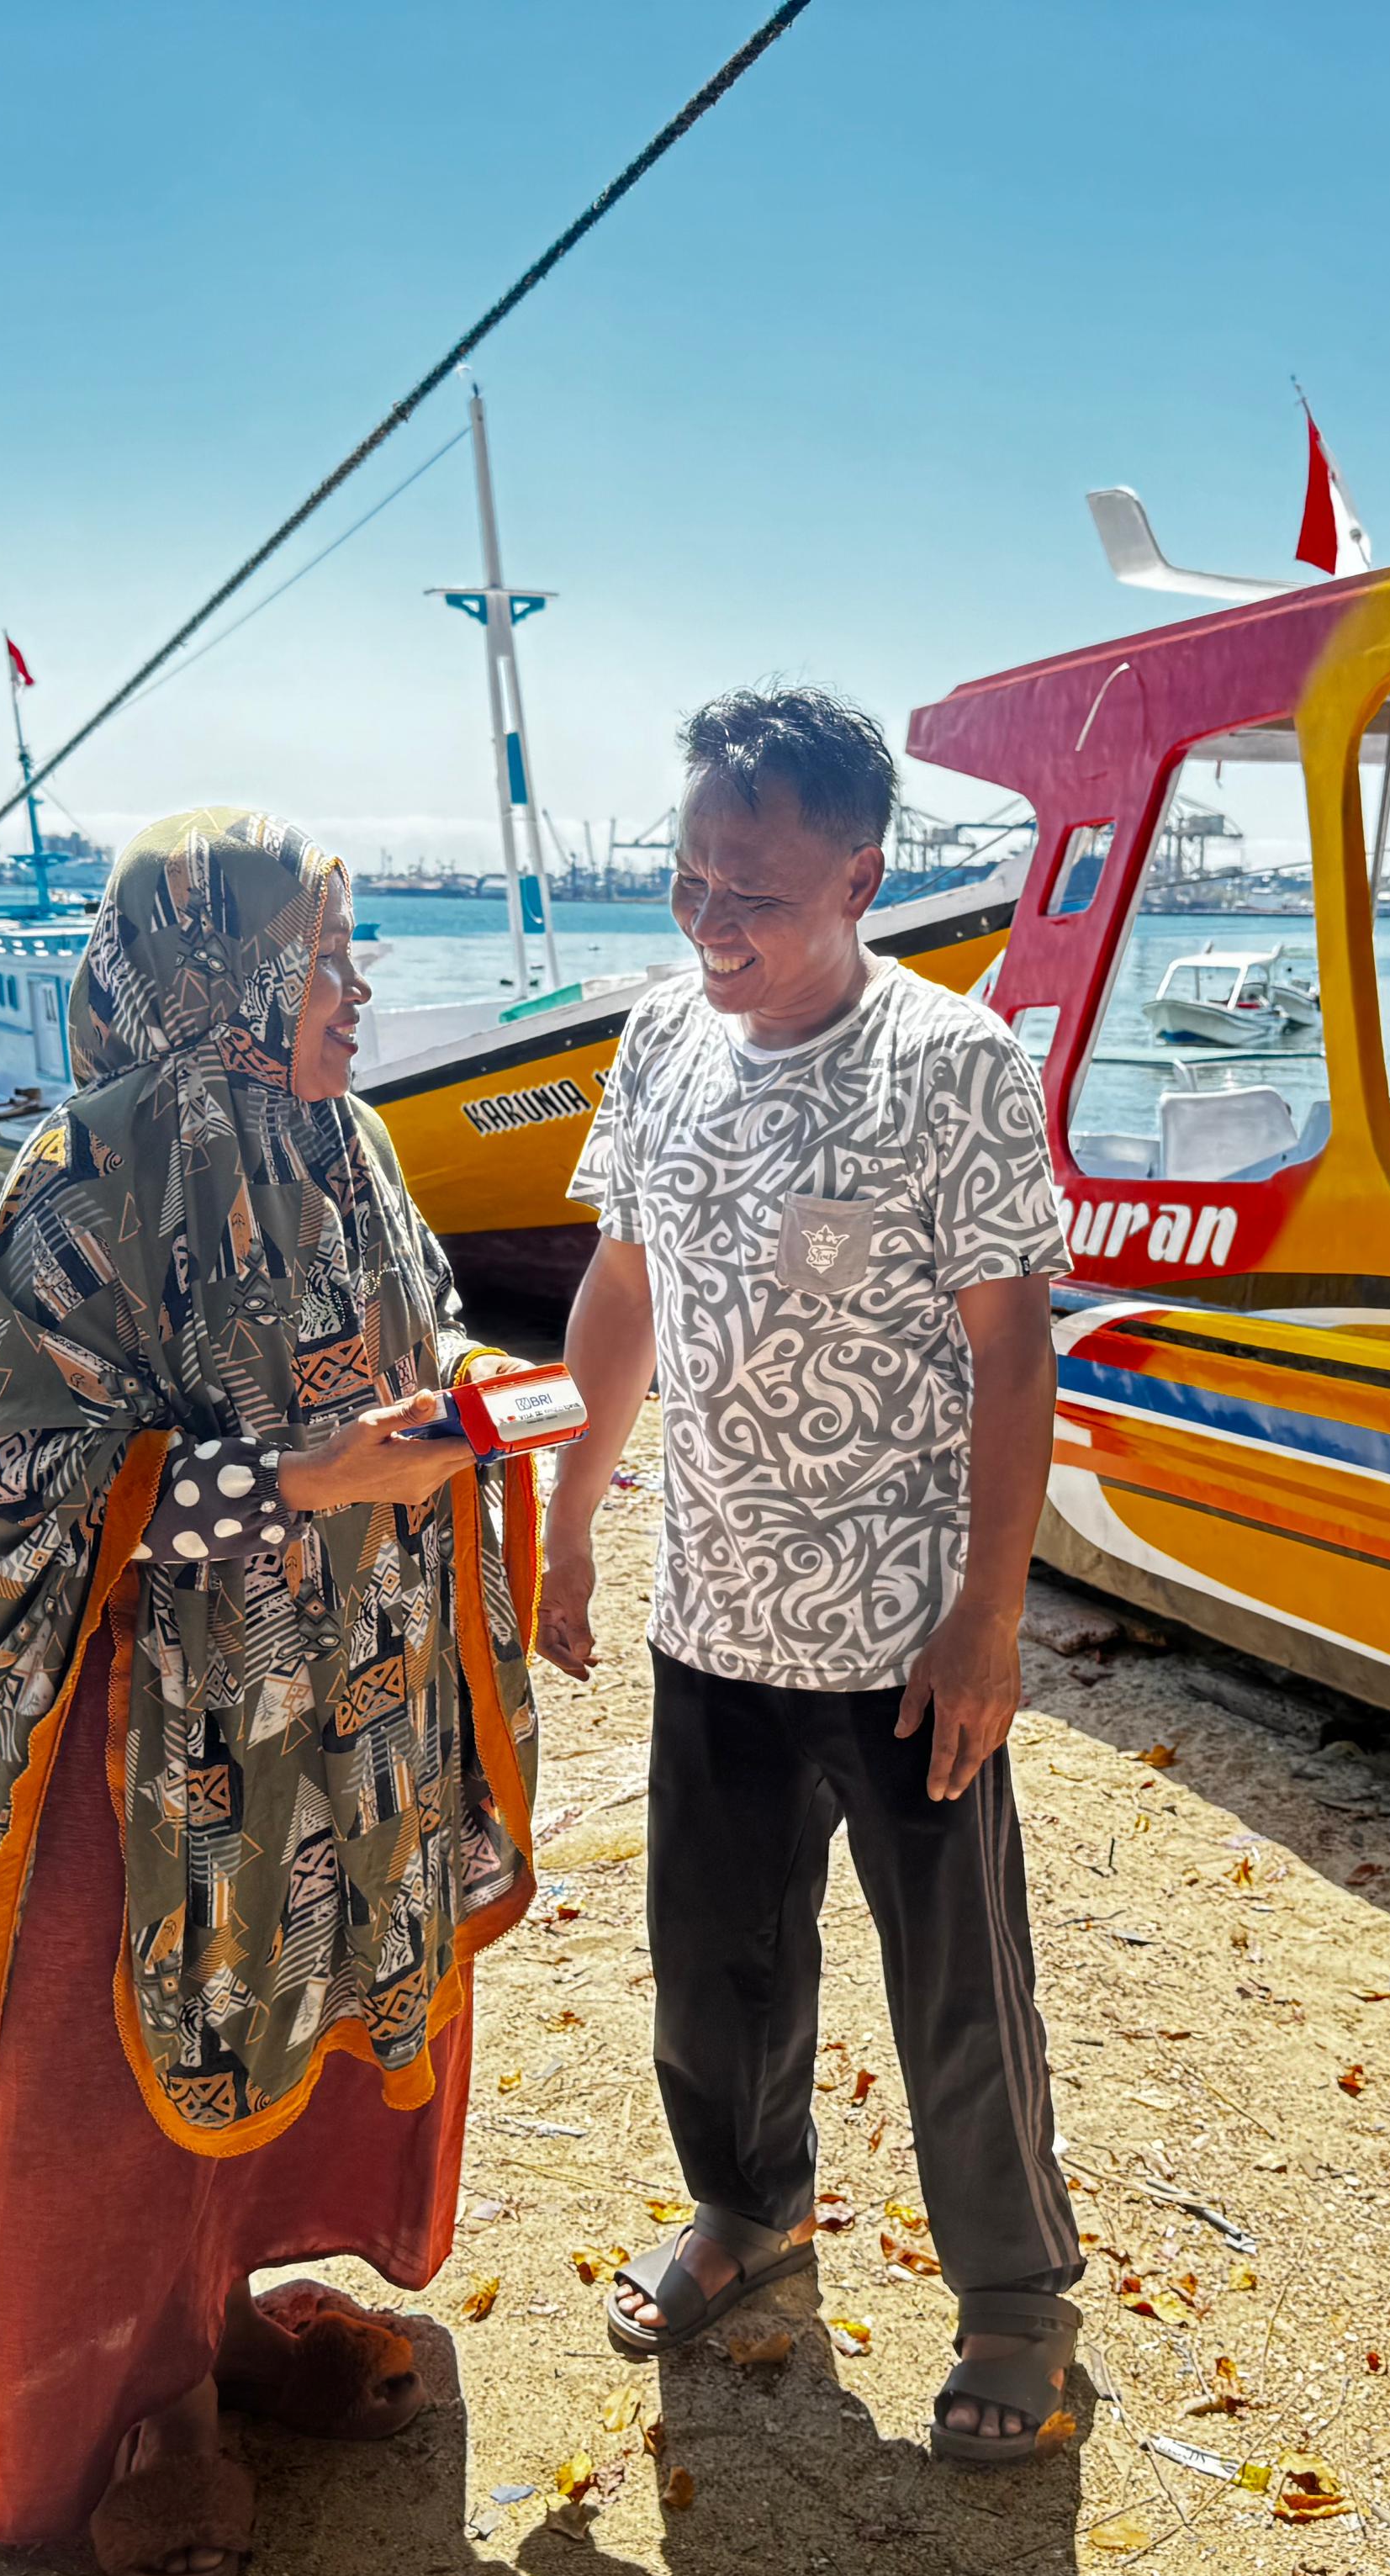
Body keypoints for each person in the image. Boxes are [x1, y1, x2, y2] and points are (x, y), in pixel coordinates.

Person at [0, 809, 542, 2576]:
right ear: (223, 976)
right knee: (124, 2058)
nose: (357, 990)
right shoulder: (86, 1178)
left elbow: (397, 1350)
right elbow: (19, 1486)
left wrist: (468, 1420)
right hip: (154, 1747)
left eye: (351, 955)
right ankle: (136, 2414)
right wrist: (287, 1482)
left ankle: (226, 2321)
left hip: (335, 1715)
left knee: (304, 2006)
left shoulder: (344, 1143)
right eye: (322, 957)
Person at [538, 686, 1084, 2463]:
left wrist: (988, 1611)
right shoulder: (658, 1041)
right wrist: (571, 1507)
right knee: (714, 1964)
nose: (712, 921)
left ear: (859, 875)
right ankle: (746, 2213)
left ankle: (1012, 2300)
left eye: (754, 892)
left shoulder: (955, 1066)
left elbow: (1016, 1355)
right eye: (690, 877)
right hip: (712, 1611)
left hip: (902, 1627)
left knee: (954, 1987)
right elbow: (625, 1288)